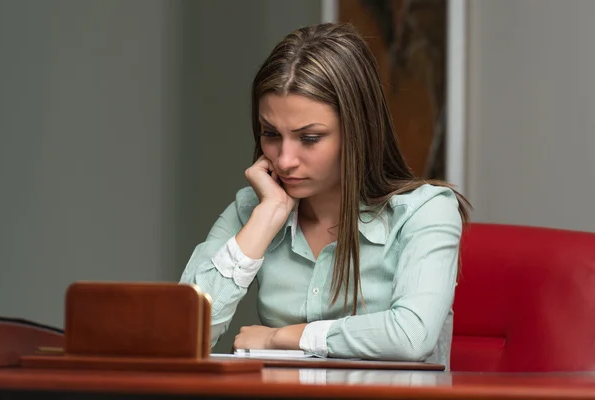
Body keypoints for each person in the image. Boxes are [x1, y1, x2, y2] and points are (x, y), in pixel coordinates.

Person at [180, 22, 471, 369]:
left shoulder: (425, 211)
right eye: (271, 134)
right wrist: (265, 219)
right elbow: (180, 336)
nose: (284, 159)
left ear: (357, 132)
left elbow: (410, 336)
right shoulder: (253, 209)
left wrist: (283, 336)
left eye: (310, 138)